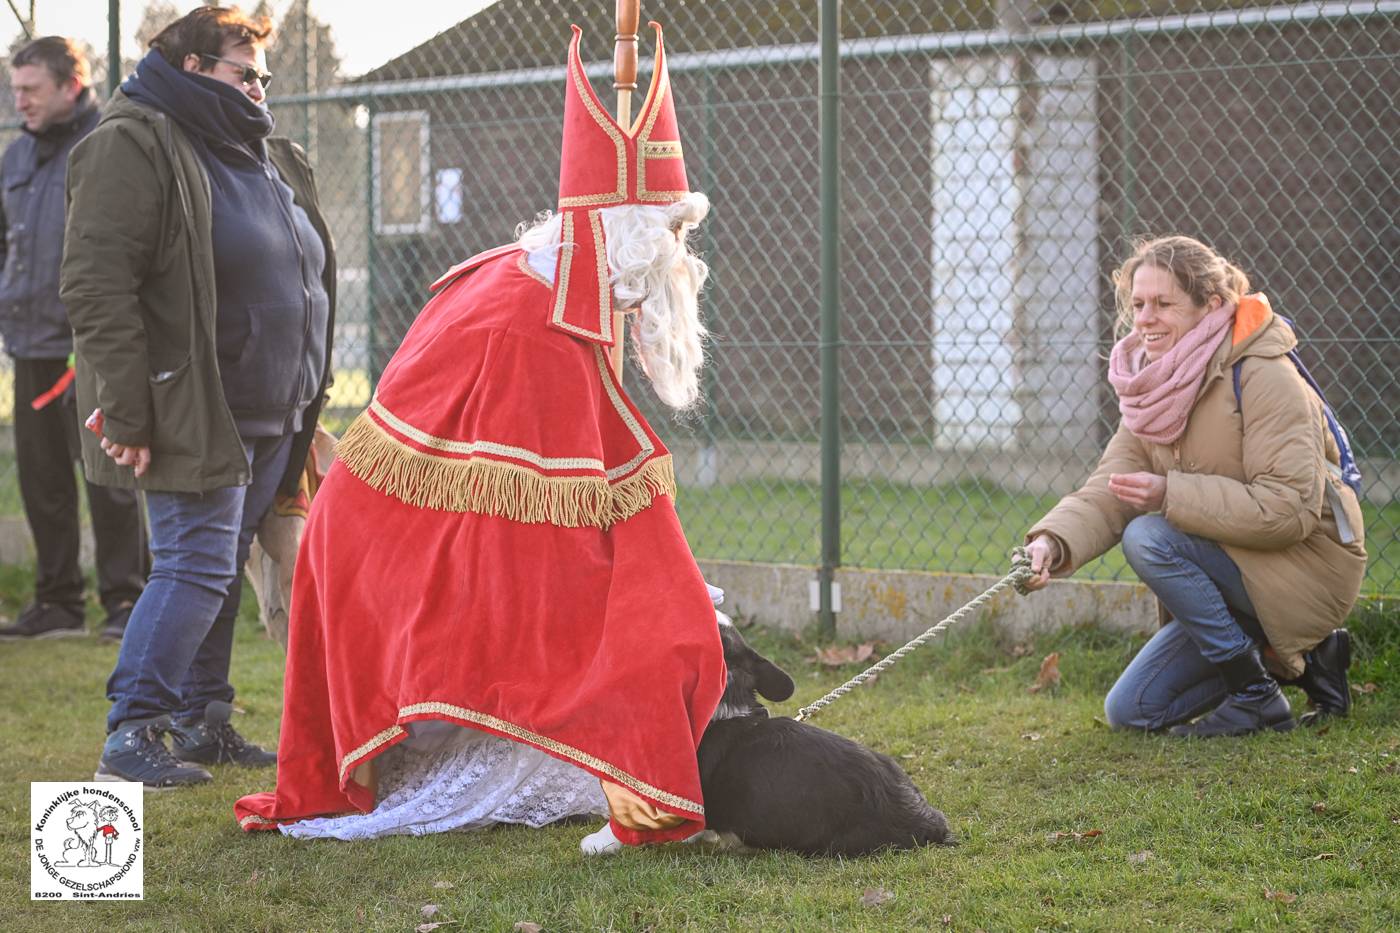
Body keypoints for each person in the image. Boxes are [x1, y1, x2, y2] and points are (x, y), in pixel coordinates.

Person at [236, 22, 725, 854]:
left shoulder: (556, 280)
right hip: (385, 549)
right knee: (622, 614)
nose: (679, 261)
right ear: (622, 243)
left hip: (413, 531)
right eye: (667, 237)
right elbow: (560, 504)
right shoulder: (529, 322)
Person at [60, 6, 336, 787]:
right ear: (190, 67)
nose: (258, 87)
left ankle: (202, 720)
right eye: (242, 72)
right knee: (193, 565)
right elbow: (95, 284)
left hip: (276, 406)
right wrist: (127, 404)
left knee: (217, 567)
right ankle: (132, 730)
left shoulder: (262, 152)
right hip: (191, 403)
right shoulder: (132, 142)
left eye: (263, 76)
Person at [1022, 236, 1366, 737]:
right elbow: (1109, 489)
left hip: (1304, 569)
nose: (1145, 318)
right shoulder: (1154, 384)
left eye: (1163, 304)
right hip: (1228, 569)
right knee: (1132, 712)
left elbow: (1290, 510)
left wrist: (1168, 494)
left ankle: (1255, 694)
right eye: (1138, 304)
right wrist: (1052, 541)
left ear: (1211, 305)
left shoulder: (1266, 375)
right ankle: (1307, 660)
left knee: (1148, 536)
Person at [0, 37, 146, 643]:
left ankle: (125, 600)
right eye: (15, 90)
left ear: (70, 84)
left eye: (31, 90)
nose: (20, 101)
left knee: (107, 479)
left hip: (91, 349)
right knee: (42, 479)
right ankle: (56, 602)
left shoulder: (107, 147)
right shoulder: (14, 159)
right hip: (30, 344)